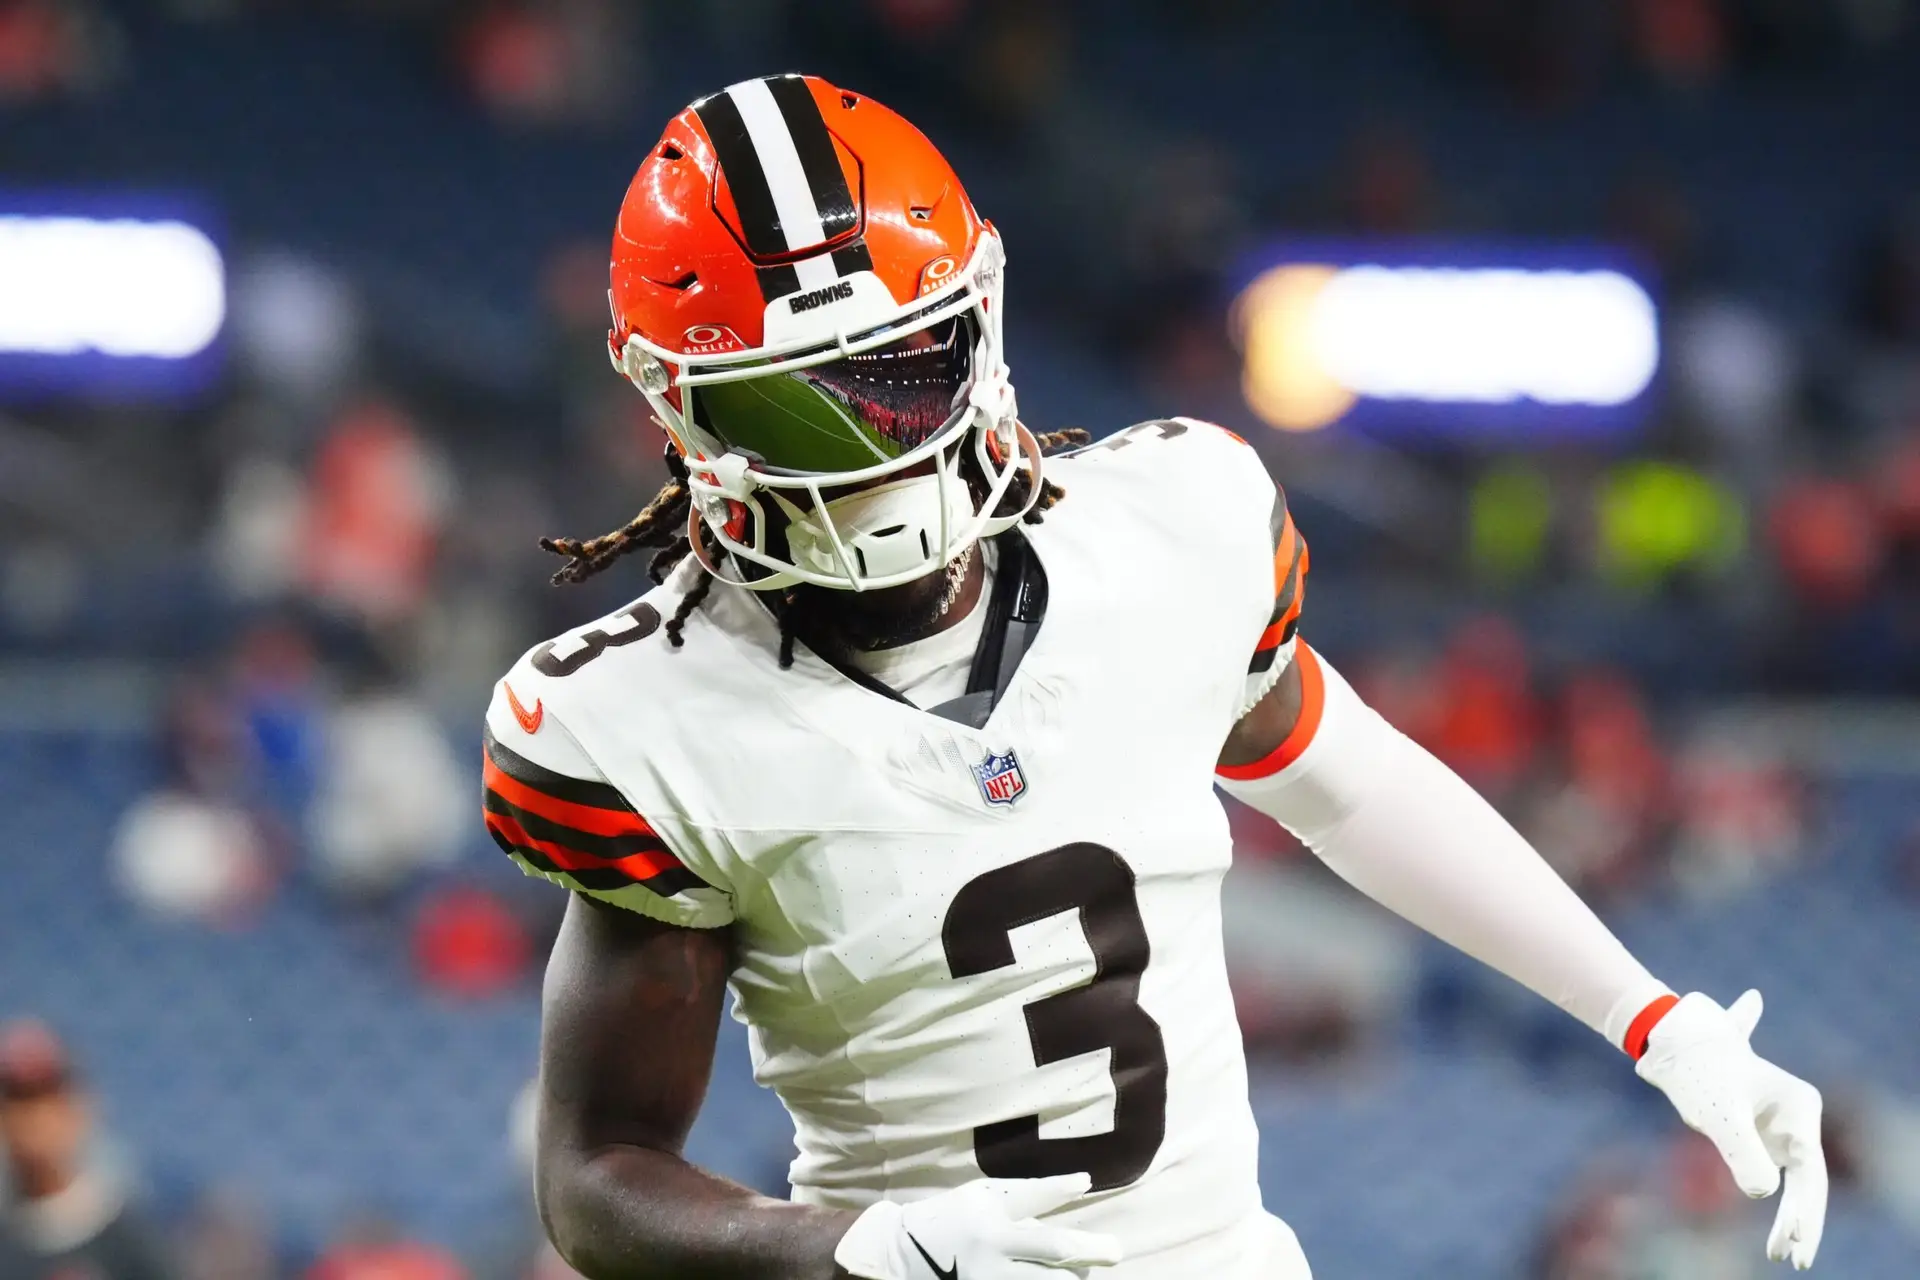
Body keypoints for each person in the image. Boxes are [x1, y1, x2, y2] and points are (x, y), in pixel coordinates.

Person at [481, 74, 1828, 1279]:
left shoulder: (1169, 523)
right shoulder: (644, 719)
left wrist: (1653, 1017)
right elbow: (596, 1177)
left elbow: (1348, 786)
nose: (865, 453)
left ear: (980, 319)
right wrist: (846, 1252)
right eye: (791, 404)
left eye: (895, 374)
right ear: (677, 411)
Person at [0, 1021, 174, 1280]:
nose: (35, 1119)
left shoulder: (131, 1244)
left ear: (78, 1108)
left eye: (48, 1098)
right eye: (19, 1100)